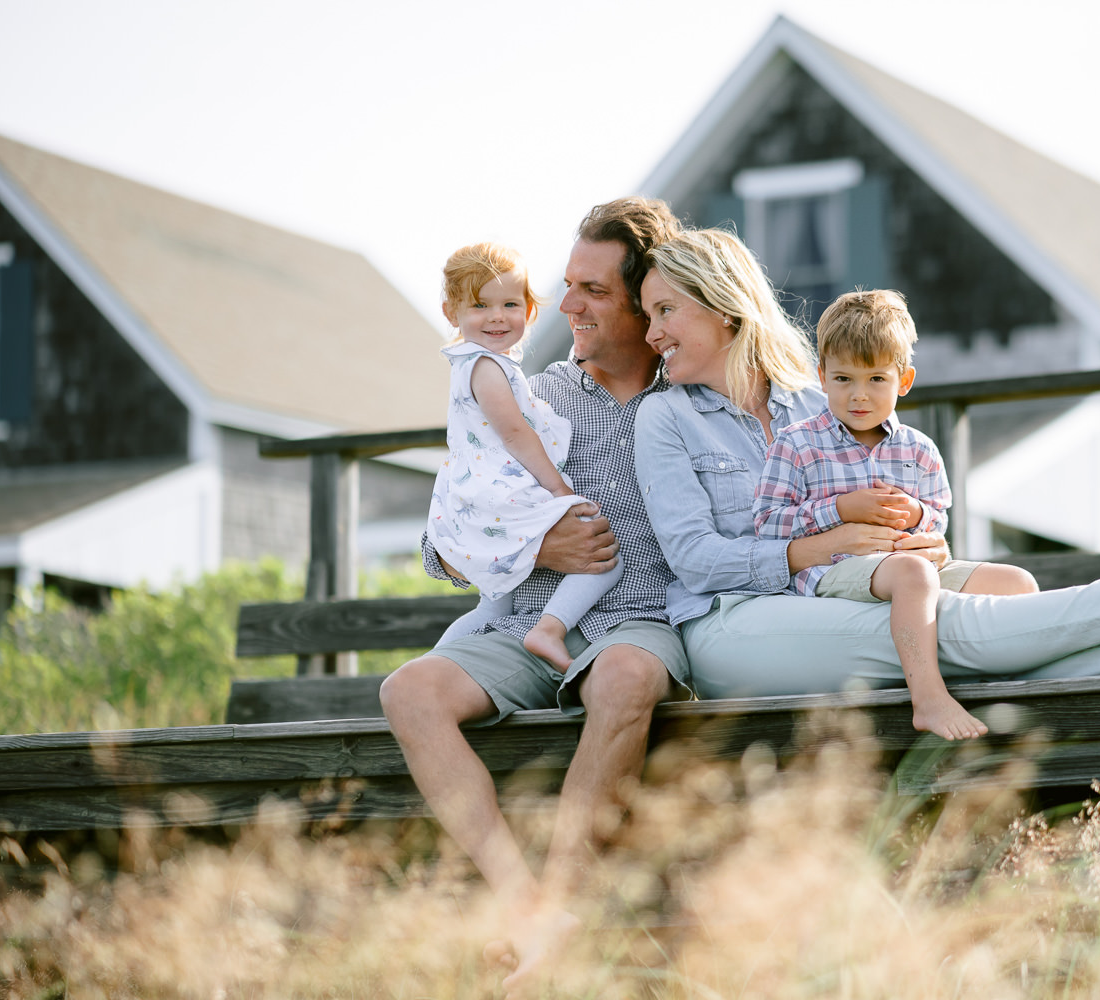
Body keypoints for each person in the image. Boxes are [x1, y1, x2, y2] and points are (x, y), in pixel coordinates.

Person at [633, 227, 1100, 702]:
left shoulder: (817, 397)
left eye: (665, 311)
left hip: (864, 583)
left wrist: (921, 539)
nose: (651, 333)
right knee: (935, 621)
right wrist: (818, 546)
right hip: (731, 622)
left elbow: (908, 499)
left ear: (722, 307)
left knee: (1006, 588)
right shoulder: (664, 418)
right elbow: (695, 559)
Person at [380, 199, 688, 992]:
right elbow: (440, 547)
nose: (569, 307)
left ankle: (564, 910)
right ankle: (527, 911)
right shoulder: (526, 390)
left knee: (626, 677)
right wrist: (539, 543)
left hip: (638, 619)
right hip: (526, 620)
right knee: (410, 691)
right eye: (567, 285)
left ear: (643, 299)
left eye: (592, 291)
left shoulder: (692, 398)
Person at [753, 289, 1039, 741]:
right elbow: (767, 522)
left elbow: (939, 518)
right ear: (822, 376)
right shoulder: (795, 443)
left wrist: (919, 516)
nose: (859, 396)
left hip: (909, 566)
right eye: (844, 379)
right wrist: (839, 510)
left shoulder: (919, 449)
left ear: (903, 380)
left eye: (876, 380)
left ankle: (1019, 695)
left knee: (1017, 582)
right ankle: (927, 699)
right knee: (913, 575)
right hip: (834, 571)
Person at [428, 242, 623, 670]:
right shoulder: (486, 366)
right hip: (506, 492)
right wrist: (558, 489)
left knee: (493, 611)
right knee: (604, 557)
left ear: (530, 311)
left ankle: (437, 660)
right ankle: (549, 629)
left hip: (478, 492)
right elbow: (516, 435)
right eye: (480, 305)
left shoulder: (475, 364)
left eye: (510, 303)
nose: (497, 316)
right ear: (451, 312)